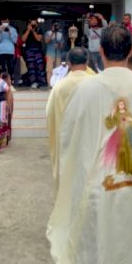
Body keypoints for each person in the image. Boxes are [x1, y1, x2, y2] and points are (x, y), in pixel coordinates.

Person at [47, 26, 132, 264]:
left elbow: (71, 142)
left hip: (96, 190)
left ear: (102, 50)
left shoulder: (86, 89)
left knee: (97, 248)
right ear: (130, 51)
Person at [46, 48, 92, 182]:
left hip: (67, 138)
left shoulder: (59, 87)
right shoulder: (96, 83)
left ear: (69, 63)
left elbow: (49, 113)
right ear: (87, 61)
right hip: (89, 138)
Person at [22, 18, 47, 89]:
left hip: (38, 51)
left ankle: (41, 82)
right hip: (29, 51)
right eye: (31, 24)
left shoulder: (39, 30)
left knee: (40, 66)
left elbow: (39, 39)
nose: (33, 25)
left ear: (37, 24)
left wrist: (33, 31)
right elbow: (23, 40)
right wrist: (28, 30)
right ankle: (33, 82)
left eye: (34, 24)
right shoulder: (26, 30)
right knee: (31, 67)